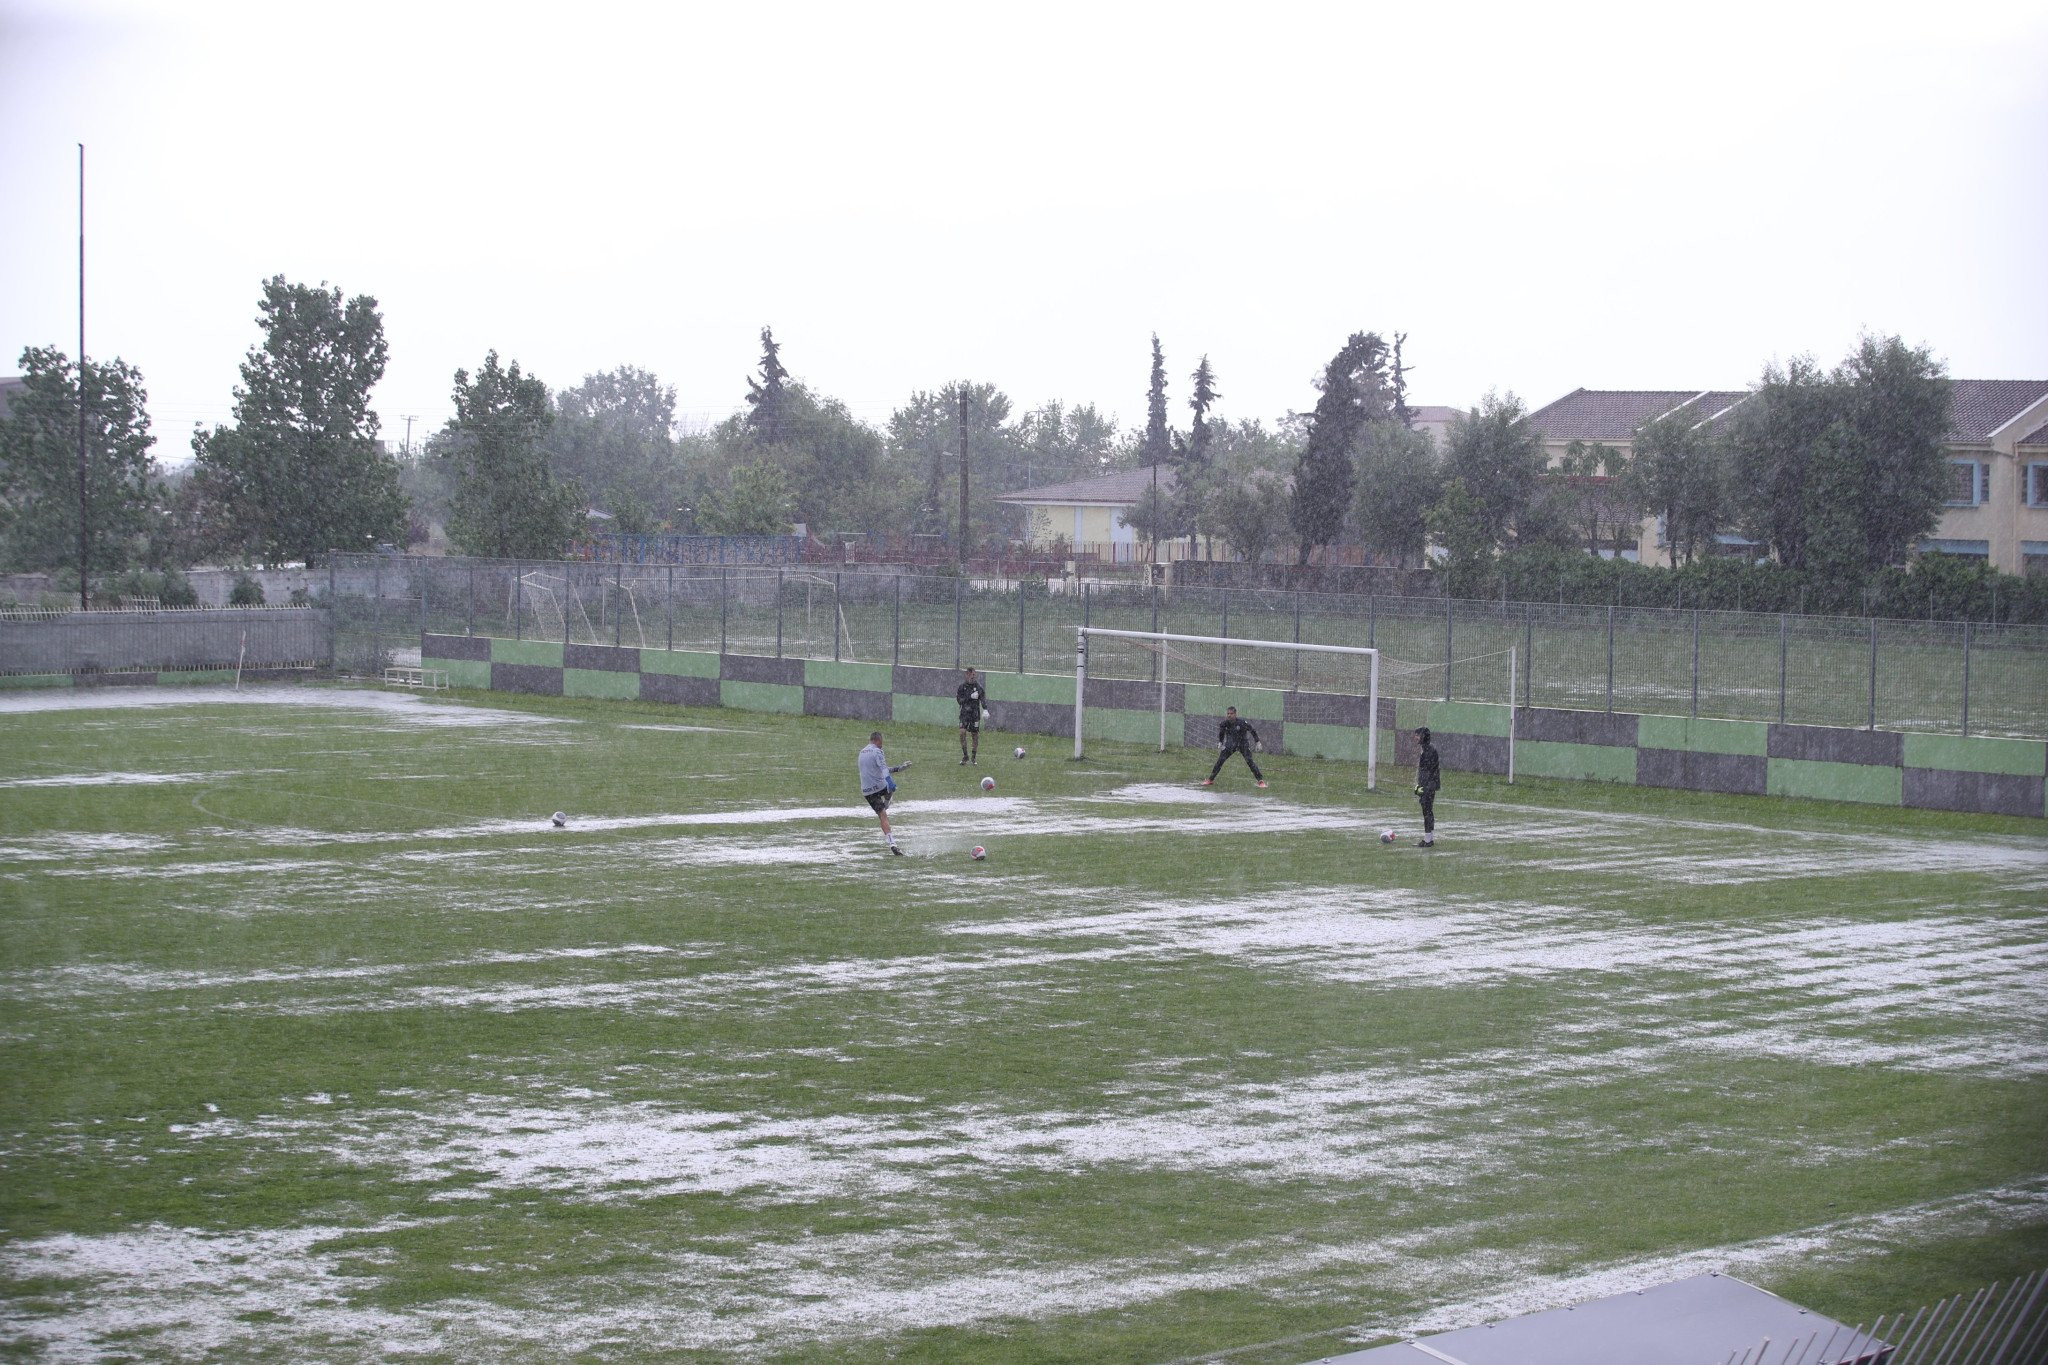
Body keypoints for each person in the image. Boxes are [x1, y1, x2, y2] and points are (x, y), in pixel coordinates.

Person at [858, 731, 912, 855]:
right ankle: (887, 802)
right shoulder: (877, 751)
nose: (882, 745)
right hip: (879, 786)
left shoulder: (862, 752)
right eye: (881, 742)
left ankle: (892, 843)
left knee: (882, 815)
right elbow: (883, 770)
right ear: (877, 740)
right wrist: (891, 782)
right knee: (891, 787)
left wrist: (899, 768)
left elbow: (879, 769)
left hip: (867, 791)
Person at [1203, 706, 1267, 788]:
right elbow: (1221, 733)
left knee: (1250, 761)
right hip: (1230, 745)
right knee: (1220, 761)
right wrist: (1220, 742)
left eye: (1231, 713)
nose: (1229, 715)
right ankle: (1210, 780)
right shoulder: (1224, 724)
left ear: (1235, 714)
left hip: (1243, 744)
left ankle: (1261, 781)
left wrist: (1257, 742)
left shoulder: (1242, 722)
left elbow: (1252, 730)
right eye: (1228, 713)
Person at [1414, 726, 1440, 847]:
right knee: (1427, 810)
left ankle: (1428, 840)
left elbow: (1428, 771)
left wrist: (1423, 787)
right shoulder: (1425, 748)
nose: (1416, 738)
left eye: (1418, 735)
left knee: (1427, 811)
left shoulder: (1429, 750)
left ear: (1423, 736)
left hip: (1428, 785)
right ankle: (1429, 838)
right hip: (1428, 784)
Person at [956, 666, 987, 764]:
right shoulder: (962, 687)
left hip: (975, 714)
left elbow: (982, 699)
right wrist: (969, 697)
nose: (972, 676)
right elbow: (959, 701)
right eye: (970, 674)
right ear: (966, 675)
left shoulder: (978, 687)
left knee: (975, 735)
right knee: (962, 732)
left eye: (974, 674)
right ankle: (965, 756)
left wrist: (985, 709)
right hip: (964, 713)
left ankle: (973, 757)